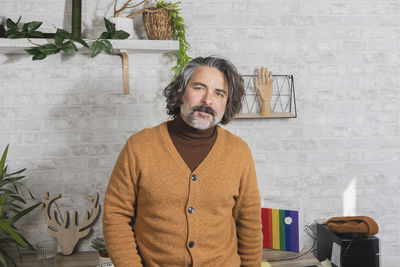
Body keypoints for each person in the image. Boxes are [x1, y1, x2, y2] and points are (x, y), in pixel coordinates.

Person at [103, 56, 263, 267]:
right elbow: (115, 216)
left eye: (219, 93)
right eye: (199, 88)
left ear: (227, 102)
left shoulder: (239, 152)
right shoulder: (139, 147)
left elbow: (249, 222)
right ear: (180, 91)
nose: (207, 100)